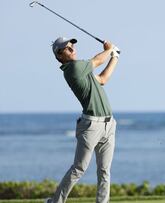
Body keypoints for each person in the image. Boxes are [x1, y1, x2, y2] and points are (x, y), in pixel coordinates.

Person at [45, 37, 120, 203]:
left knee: (104, 170)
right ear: (59, 55)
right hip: (91, 126)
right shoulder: (73, 69)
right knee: (79, 168)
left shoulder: (83, 70)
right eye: (67, 48)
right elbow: (98, 60)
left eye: (72, 46)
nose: (72, 49)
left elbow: (102, 79)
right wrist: (108, 48)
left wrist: (115, 57)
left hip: (109, 124)